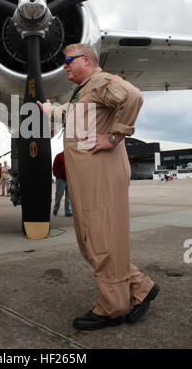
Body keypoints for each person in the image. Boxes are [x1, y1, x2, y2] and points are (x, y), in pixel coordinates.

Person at [38, 43, 159, 331]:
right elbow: (72, 113)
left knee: (100, 240)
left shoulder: (102, 81)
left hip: (101, 176)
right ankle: (140, 287)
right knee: (93, 239)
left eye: (68, 59)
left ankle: (113, 306)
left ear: (88, 60)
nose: (64, 65)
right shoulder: (85, 90)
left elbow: (133, 96)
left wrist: (115, 137)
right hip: (89, 178)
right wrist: (48, 110)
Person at [52, 151, 72, 217]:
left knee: (68, 197)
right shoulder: (59, 156)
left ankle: (68, 212)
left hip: (69, 179)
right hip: (61, 179)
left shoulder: (72, 155)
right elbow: (54, 167)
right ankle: (55, 209)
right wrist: (58, 176)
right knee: (59, 195)